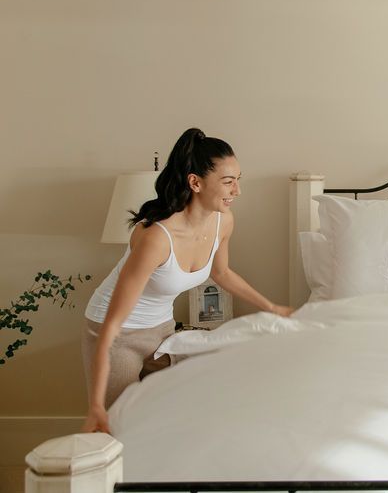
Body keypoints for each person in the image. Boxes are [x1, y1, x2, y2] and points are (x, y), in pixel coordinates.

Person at [82, 128, 294, 434]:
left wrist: (273, 307)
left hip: (162, 330)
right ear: (195, 182)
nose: (237, 190)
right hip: (117, 333)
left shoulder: (224, 221)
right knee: (119, 428)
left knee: (194, 402)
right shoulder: (156, 237)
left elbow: (222, 273)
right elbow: (112, 326)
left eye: (238, 179)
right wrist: (95, 406)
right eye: (227, 181)